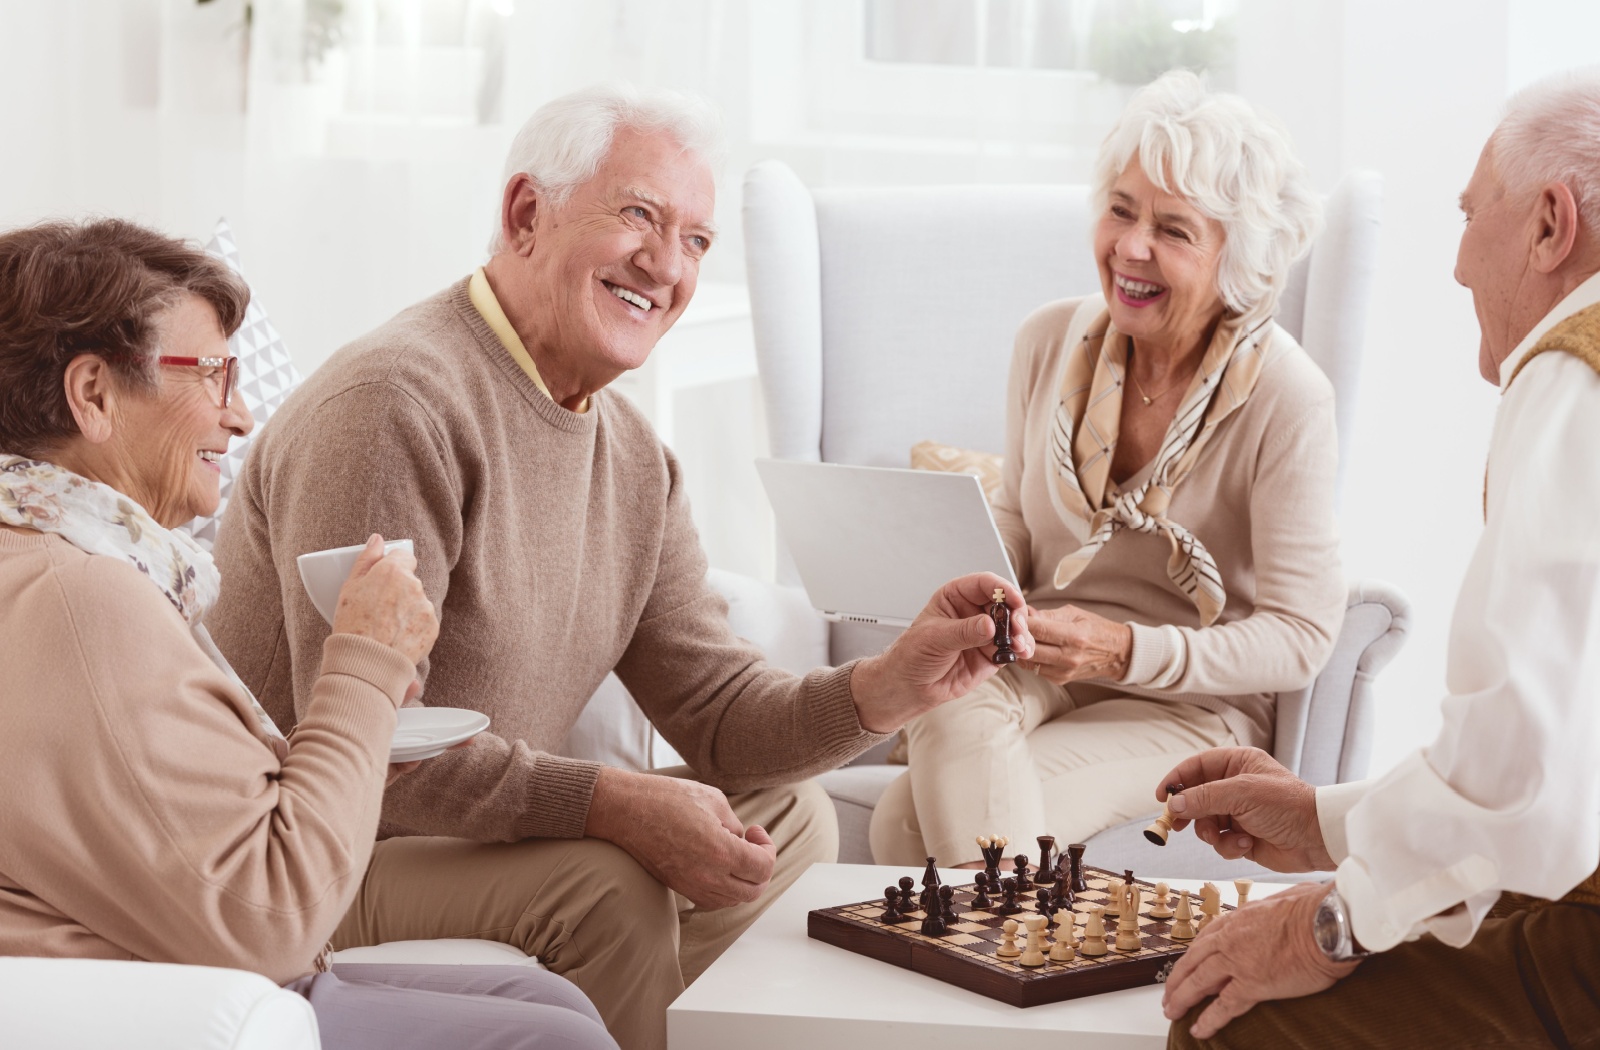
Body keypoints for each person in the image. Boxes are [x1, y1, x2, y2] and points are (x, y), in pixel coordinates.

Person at [207, 83, 1032, 1050]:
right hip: (311, 854)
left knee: (789, 822)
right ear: (526, 214)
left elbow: (719, 712)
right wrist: (609, 803)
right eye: (640, 215)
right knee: (608, 889)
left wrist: (888, 687)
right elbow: (373, 754)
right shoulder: (397, 405)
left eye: (696, 240)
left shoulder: (637, 461)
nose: (666, 265)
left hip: (456, 837)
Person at [0, 218, 619, 1049]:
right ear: (95, 395)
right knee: (562, 1037)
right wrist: (360, 666)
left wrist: (366, 701)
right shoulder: (83, 598)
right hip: (169, 997)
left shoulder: (55, 559)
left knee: (555, 1004)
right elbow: (276, 915)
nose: (243, 415)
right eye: (215, 375)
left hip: (157, 958)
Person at [1153, 68, 1600, 1049]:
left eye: (1469, 212)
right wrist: (1329, 822)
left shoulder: (1574, 369)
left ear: (1549, 226)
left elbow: (1528, 784)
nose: (1452, 264)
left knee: (1220, 1019)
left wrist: (1326, 928)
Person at [869, 70, 1345, 867]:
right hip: (1039, 661)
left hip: (1192, 702)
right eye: (1121, 210)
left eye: (1174, 229)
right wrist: (954, 577)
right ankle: (1018, 973)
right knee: (951, 697)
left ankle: (1003, 969)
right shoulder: (1047, 342)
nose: (1131, 246)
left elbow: (1300, 637)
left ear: (1240, 259)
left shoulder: (1288, 396)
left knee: (904, 825)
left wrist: (1125, 651)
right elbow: (1020, 527)